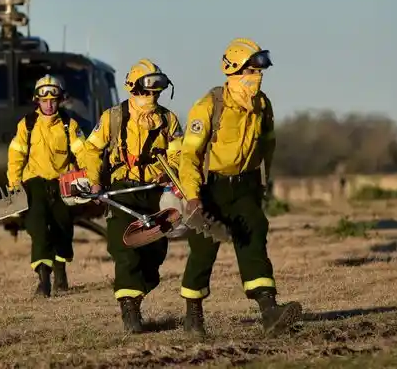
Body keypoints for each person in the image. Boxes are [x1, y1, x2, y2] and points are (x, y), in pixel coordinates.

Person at [177, 38, 302, 336]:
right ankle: (193, 315)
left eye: (259, 71)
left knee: (254, 237)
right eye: (251, 70)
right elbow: (189, 156)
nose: (257, 76)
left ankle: (269, 311)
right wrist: (192, 198)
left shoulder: (262, 105)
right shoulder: (208, 106)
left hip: (245, 186)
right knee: (203, 253)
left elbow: (268, 147)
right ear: (234, 70)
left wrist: (262, 183)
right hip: (210, 188)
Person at [84, 59, 183, 333]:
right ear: (134, 87)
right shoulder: (113, 118)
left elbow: (179, 152)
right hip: (121, 192)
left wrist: (171, 171)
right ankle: (130, 312)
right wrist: (95, 182)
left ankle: (138, 292)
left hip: (154, 193)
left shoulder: (169, 119)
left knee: (154, 254)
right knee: (125, 250)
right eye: (149, 89)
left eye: (158, 90)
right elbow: (91, 149)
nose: (154, 95)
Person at [7, 75, 89, 297]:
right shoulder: (26, 125)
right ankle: (44, 280)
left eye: (53, 100)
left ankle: (61, 271)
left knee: (63, 229)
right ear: (38, 101)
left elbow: (83, 153)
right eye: (45, 100)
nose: (49, 104)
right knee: (38, 229)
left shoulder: (70, 125)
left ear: (60, 100)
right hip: (34, 183)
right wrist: (14, 185)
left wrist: (90, 177)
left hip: (63, 184)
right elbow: (15, 156)